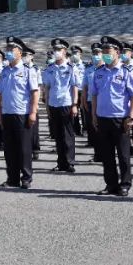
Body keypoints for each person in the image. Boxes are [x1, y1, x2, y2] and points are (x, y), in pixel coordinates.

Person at [89, 36, 133, 197]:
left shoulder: (126, 72)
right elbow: (94, 95)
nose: (105, 54)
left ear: (117, 52)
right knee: (107, 155)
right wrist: (94, 115)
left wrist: (131, 116)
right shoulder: (98, 72)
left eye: (107, 51)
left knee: (123, 155)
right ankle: (110, 184)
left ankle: (125, 184)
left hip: (121, 118)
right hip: (103, 117)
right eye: (103, 51)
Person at [0, 37, 42, 189]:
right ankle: (12, 179)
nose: (8, 52)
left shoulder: (28, 71)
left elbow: (35, 93)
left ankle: (26, 178)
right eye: (7, 49)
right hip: (7, 113)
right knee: (9, 149)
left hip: (22, 113)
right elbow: (0, 93)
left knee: (24, 148)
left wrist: (33, 112)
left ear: (20, 52)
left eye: (12, 49)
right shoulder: (4, 71)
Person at [42, 38, 80, 174]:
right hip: (53, 104)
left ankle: (69, 161)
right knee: (57, 135)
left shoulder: (71, 68)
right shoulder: (49, 69)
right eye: (54, 50)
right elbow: (46, 88)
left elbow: (75, 87)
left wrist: (75, 104)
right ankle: (61, 162)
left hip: (66, 104)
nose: (56, 52)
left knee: (67, 134)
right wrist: (46, 106)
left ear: (65, 51)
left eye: (59, 50)